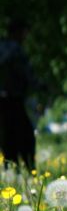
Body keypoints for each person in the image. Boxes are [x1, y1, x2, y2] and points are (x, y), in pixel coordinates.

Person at [0, 19, 38, 170]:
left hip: (2, 101)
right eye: (24, 32)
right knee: (26, 137)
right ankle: (29, 170)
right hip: (13, 99)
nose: (26, 36)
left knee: (7, 138)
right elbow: (27, 75)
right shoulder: (16, 49)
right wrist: (40, 85)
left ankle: (10, 170)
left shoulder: (2, 47)